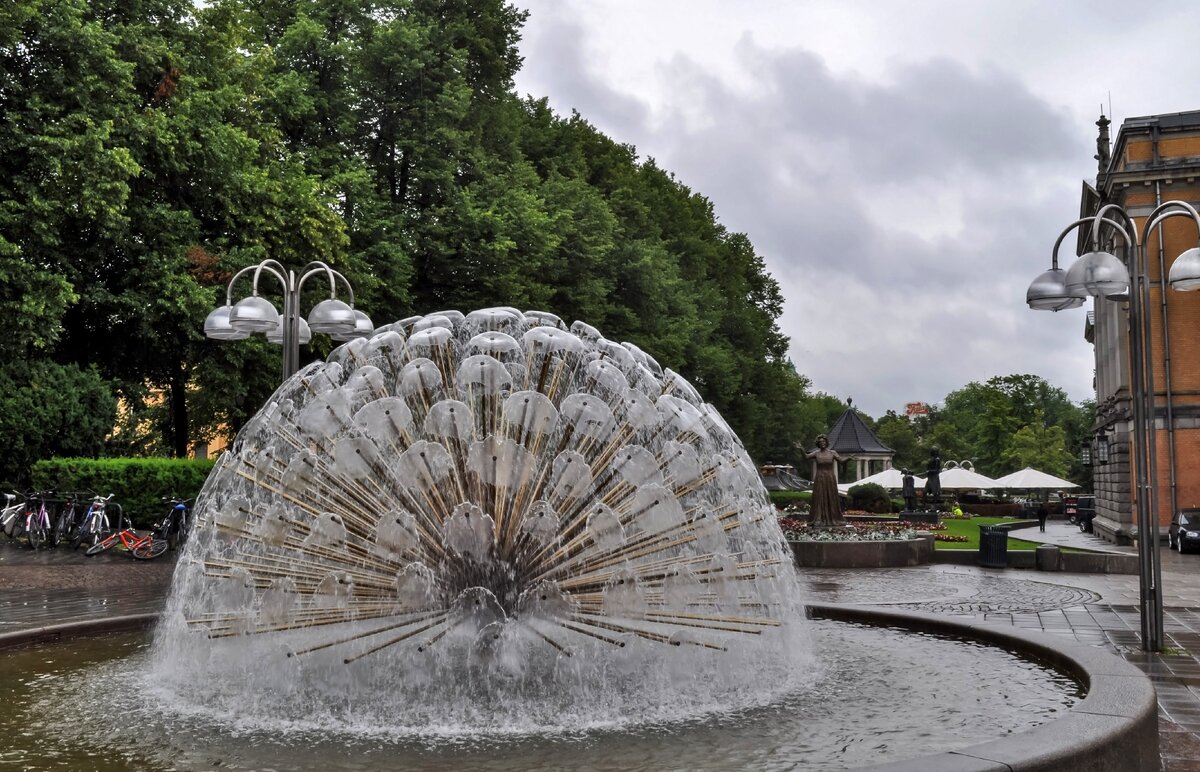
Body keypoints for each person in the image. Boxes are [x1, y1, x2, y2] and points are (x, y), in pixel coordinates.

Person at [806, 435, 844, 527]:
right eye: (820, 442)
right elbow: (806, 457)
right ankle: (819, 518)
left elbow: (841, 461)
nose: (822, 443)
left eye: (823, 442)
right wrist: (800, 449)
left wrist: (849, 458)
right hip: (820, 477)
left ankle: (833, 518)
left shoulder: (833, 453)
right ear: (818, 444)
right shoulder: (816, 453)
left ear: (826, 443)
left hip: (830, 477)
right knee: (819, 496)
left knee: (831, 496)